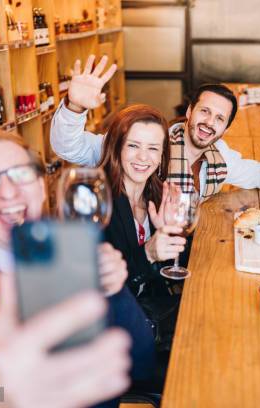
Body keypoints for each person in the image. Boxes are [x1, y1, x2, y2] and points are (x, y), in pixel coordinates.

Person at [0, 129, 155, 407]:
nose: (8, 192)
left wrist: (114, 291)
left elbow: (142, 362)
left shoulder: (70, 262)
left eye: (20, 174)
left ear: (40, 185)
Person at [50, 55, 260, 201]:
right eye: (205, 111)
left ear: (225, 129)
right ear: (189, 112)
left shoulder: (220, 158)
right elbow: (70, 148)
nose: (209, 123)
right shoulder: (151, 143)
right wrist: (75, 107)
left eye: (219, 119)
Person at [98, 104, 185, 349]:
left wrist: (170, 232)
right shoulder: (95, 199)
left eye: (153, 149)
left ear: (162, 155)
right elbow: (96, 287)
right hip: (116, 332)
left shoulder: (157, 194)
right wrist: (148, 252)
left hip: (154, 312)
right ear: (117, 147)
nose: (143, 158)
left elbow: (168, 270)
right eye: (133, 146)